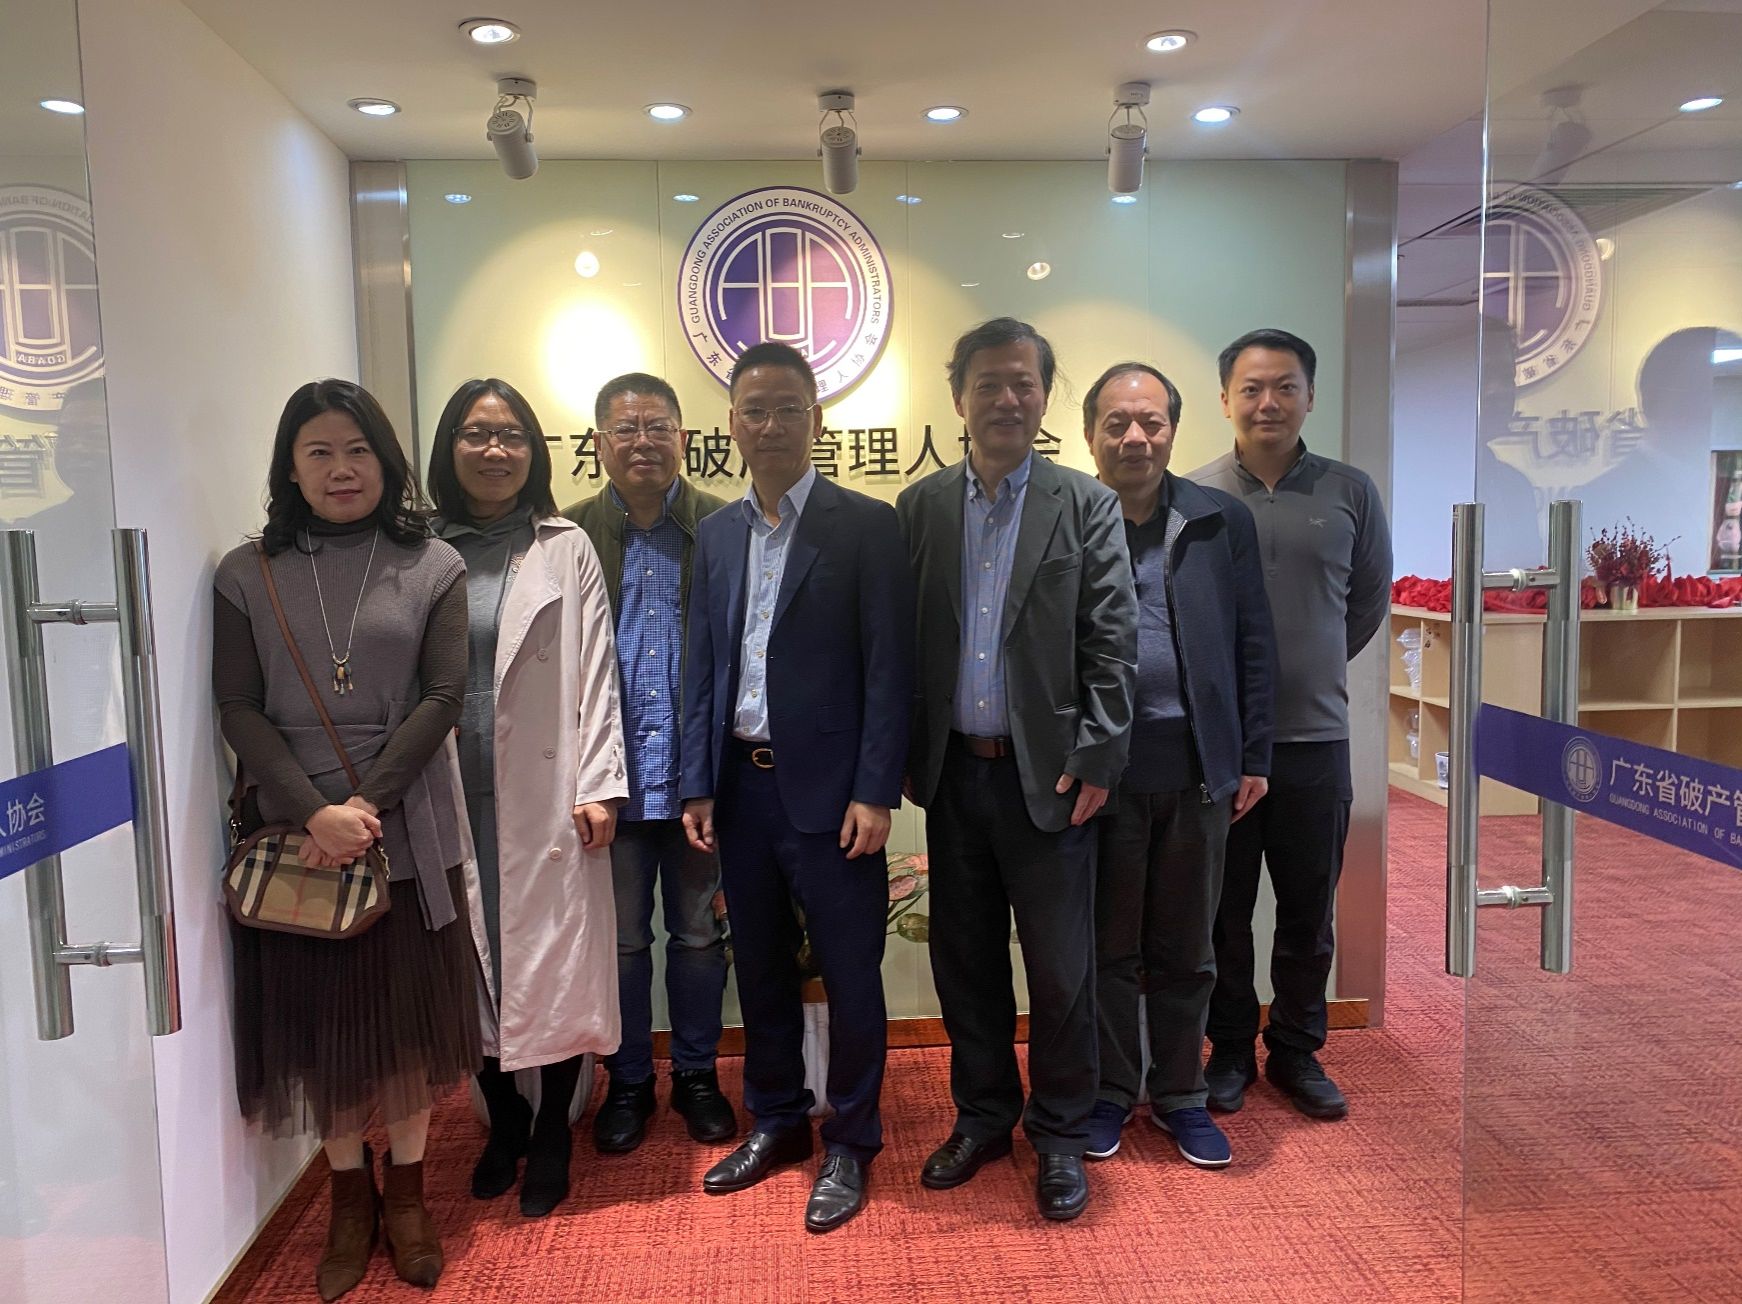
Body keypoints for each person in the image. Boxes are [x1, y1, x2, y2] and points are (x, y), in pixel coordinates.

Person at [213, 379, 478, 1300]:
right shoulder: (247, 572)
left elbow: (444, 696)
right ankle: (346, 1200)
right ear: (290, 467)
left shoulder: (434, 562)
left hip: (406, 824)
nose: (341, 469)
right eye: (319, 452)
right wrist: (311, 813)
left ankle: (407, 1195)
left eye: (358, 450)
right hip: (294, 837)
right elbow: (238, 704)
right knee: (322, 1028)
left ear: (386, 461)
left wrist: (364, 805)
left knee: (406, 1027)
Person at [898, 318, 1137, 1222]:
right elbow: (904, 645)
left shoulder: (1085, 503)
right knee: (964, 964)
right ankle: (984, 1117)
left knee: (1062, 971)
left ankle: (1062, 1133)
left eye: (1023, 383)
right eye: (988, 384)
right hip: (955, 777)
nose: (1006, 399)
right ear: (958, 397)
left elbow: (1113, 639)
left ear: (1044, 396)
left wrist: (1100, 755)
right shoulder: (920, 507)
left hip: (1055, 781)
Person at [680, 341, 913, 1234]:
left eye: (787, 408)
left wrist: (876, 790)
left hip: (835, 798)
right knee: (762, 966)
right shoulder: (716, 534)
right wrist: (699, 785)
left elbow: (889, 668)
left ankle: (851, 1139)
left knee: (851, 973)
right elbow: (705, 665)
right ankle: (776, 1119)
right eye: (754, 410)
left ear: (816, 419)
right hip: (742, 789)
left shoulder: (866, 525)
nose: (770, 425)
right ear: (732, 424)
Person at [429, 377, 628, 1218]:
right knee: (465, 959)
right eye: (477, 434)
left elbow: (596, 668)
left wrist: (600, 783)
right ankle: (503, 1119)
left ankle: (549, 1130)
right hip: (446, 787)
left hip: (545, 791)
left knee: (549, 960)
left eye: (511, 435)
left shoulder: (563, 545)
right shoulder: (422, 548)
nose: (495, 450)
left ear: (534, 452)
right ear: (449, 447)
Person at [1190, 328, 1392, 1121]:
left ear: (1310, 395)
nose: (1267, 402)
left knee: (1309, 913)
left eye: (1284, 387)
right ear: (1225, 400)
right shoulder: (1196, 495)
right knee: (1223, 913)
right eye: (1251, 388)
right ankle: (1230, 1049)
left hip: (1315, 741)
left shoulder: (1350, 492)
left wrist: (1304, 668)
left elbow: (1365, 605)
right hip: (1220, 748)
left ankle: (1299, 1050)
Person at [1077, 362, 1275, 1168]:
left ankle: (1181, 1095)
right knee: (1109, 951)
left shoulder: (1218, 520)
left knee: (1188, 950)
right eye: (1117, 422)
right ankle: (1110, 1093)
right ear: (1089, 434)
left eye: (1151, 422)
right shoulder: (1070, 520)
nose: (1135, 437)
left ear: (1172, 431)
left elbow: (1254, 641)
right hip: (1103, 777)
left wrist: (1252, 753)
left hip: (1198, 772)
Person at [564, 373, 735, 1157]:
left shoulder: (723, 527)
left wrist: (718, 778)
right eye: (626, 429)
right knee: (623, 942)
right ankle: (628, 1080)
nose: (643, 442)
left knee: (698, 937)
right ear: (599, 443)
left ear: (684, 438)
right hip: (612, 784)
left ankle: (696, 1075)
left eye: (658, 427)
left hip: (698, 782)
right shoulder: (568, 536)